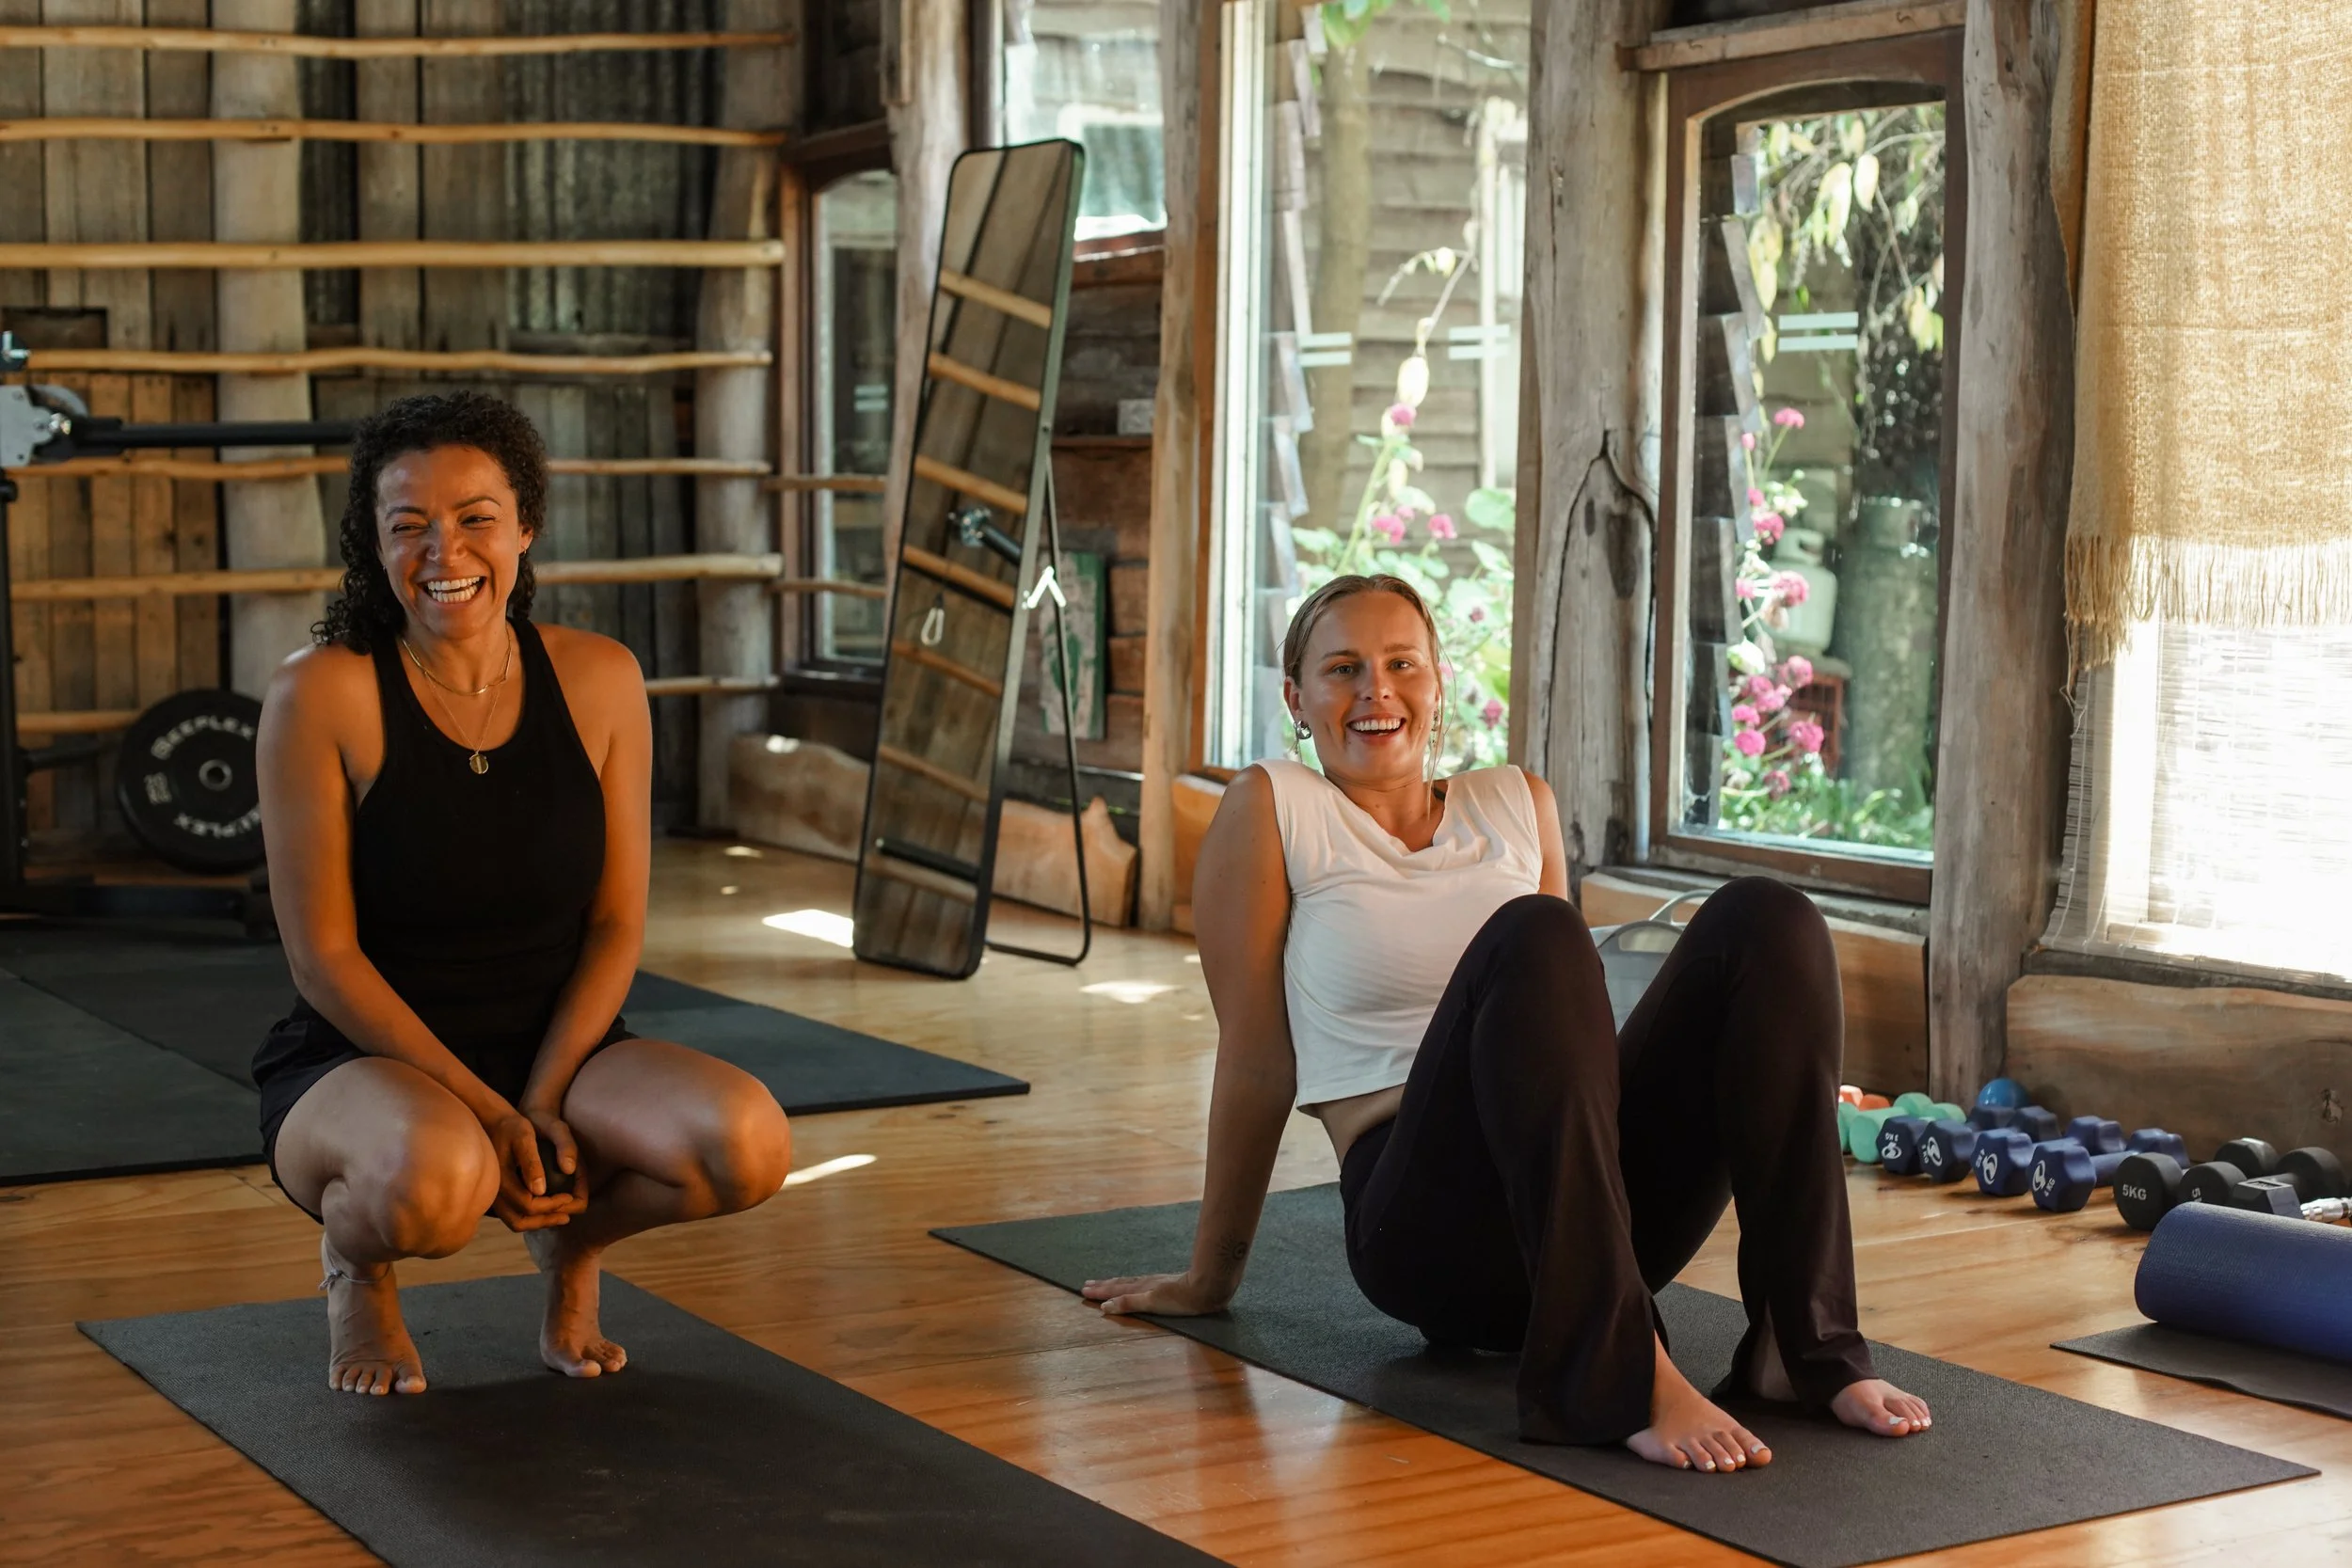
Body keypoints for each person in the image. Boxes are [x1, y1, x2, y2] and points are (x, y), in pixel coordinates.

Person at [1080, 574, 1931, 1472]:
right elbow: (1256, 1062)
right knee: (1535, 932)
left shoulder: (1516, 801)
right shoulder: (1277, 807)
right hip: (1429, 1228)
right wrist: (1210, 1278)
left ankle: (1798, 1344)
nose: (1376, 690)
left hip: (1584, 1206)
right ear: (1296, 698)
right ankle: (1618, 1372)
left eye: (1400, 663)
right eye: (1342, 669)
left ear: (1438, 681)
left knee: (1769, 919)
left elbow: (1568, 1050)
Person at [254, 391, 792, 1397]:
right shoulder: (319, 691)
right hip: (364, 1060)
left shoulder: (600, 678)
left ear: (525, 525)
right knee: (438, 1186)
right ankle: (357, 1266)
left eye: (474, 517)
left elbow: (616, 920)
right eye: (406, 523)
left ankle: (571, 1245)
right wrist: (486, 1111)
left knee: (746, 1143)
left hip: (563, 1047)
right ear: (372, 544)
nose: (441, 549)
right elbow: (323, 958)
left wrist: (539, 1099)